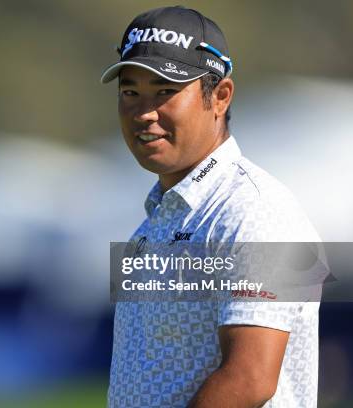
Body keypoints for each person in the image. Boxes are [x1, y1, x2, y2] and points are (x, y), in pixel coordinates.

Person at [101, 6, 321, 408]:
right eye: (130, 92)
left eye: (165, 91)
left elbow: (250, 380)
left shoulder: (254, 210)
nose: (144, 113)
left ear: (219, 96)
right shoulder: (151, 225)